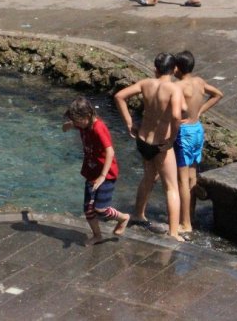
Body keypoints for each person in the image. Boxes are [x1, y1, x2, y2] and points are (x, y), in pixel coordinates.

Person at [114, 52, 186, 242]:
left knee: (148, 177)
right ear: (174, 69)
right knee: (171, 188)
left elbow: (120, 96)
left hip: (143, 141)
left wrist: (130, 123)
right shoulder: (173, 89)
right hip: (161, 144)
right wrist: (172, 138)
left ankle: (138, 214)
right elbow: (177, 116)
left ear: (155, 68)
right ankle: (173, 233)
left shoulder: (146, 83)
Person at [63, 97, 130, 245]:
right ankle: (97, 235)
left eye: (77, 121)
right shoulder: (83, 125)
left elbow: (110, 152)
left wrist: (102, 176)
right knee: (88, 209)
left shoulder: (99, 128)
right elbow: (75, 124)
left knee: (101, 209)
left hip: (106, 174)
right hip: (92, 172)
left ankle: (123, 218)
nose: (77, 124)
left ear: (87, 116)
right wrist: (69, 125)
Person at [173, 50, 223, 233]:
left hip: (184, 133)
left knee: (182, 180)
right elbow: (218, 94)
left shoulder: (179, 87)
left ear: (177, 68)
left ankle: (185, 223)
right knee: (192, 176)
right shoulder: (199, 82)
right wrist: (200, 111)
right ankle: (190, 216)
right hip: (197, 129)